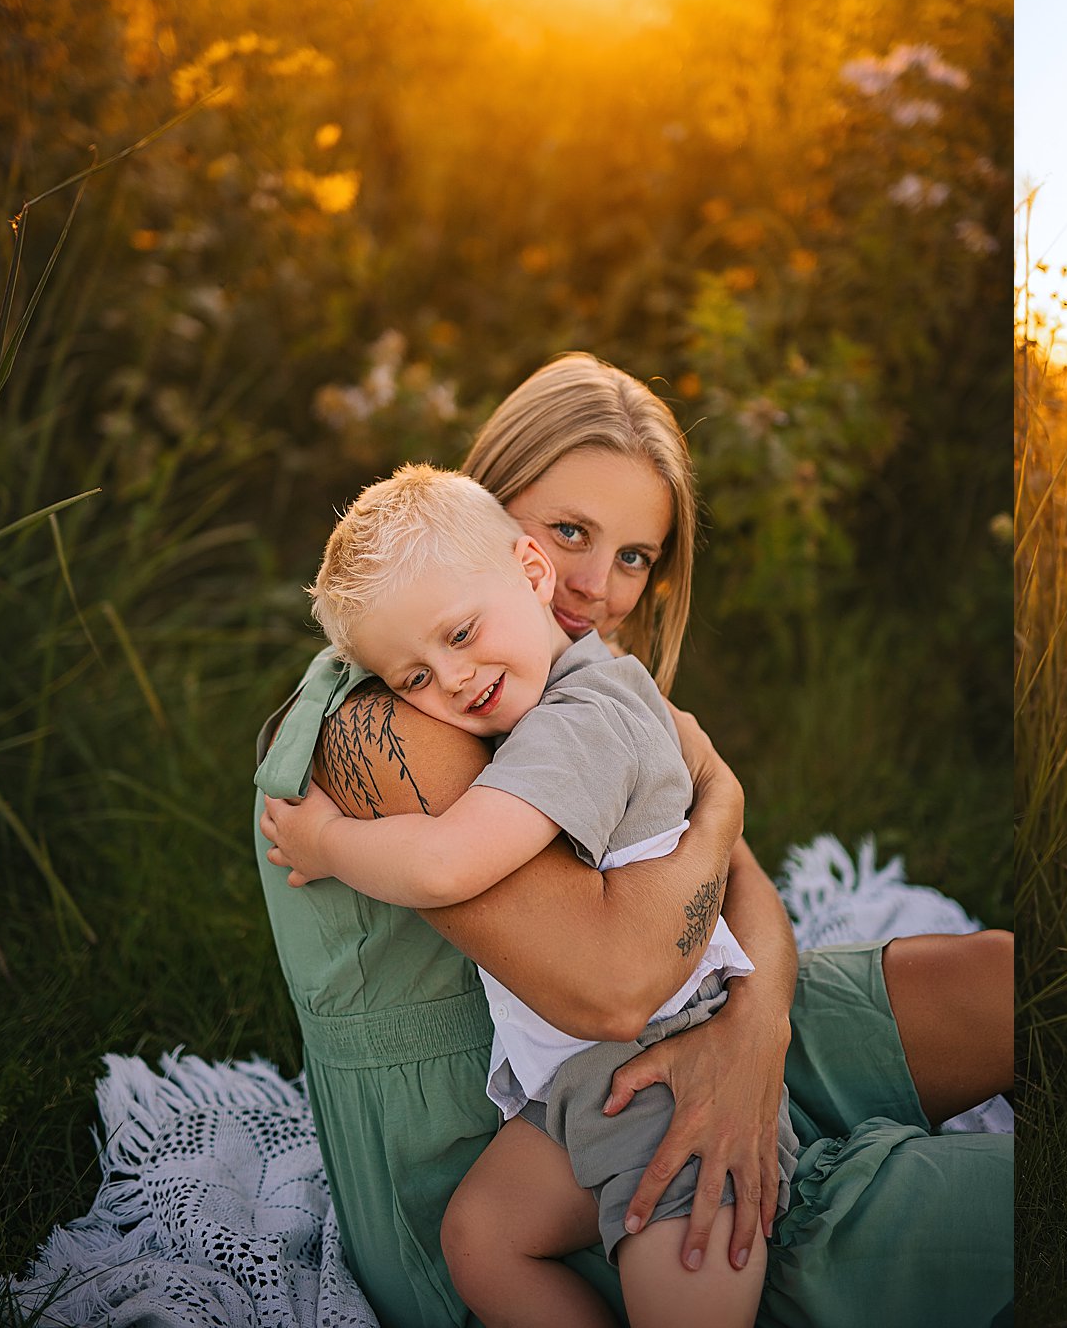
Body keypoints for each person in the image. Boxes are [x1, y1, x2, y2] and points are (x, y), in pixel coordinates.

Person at [253, 353, 1012, 1328]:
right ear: (494, 513)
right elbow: (612, 986)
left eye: (633, 556)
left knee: (987, 978)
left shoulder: (561, 681)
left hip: (655, 1034)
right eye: (569, 530)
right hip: (559, 1135)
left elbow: (747, 907)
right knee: (1003, 1196)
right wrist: (721, 804)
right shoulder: (417, 711)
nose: (594, 586)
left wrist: (752, 1034)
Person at [266, 464, 787, 1328]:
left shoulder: (580, 715)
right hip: (583, 1086)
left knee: (689, 1277)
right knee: (480, 1237)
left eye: (461, 633)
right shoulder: (540, 706)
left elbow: (446, 864)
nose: (453, 680)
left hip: (665, 1078)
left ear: (532, 576)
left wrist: (325, 842)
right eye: (414, 679)